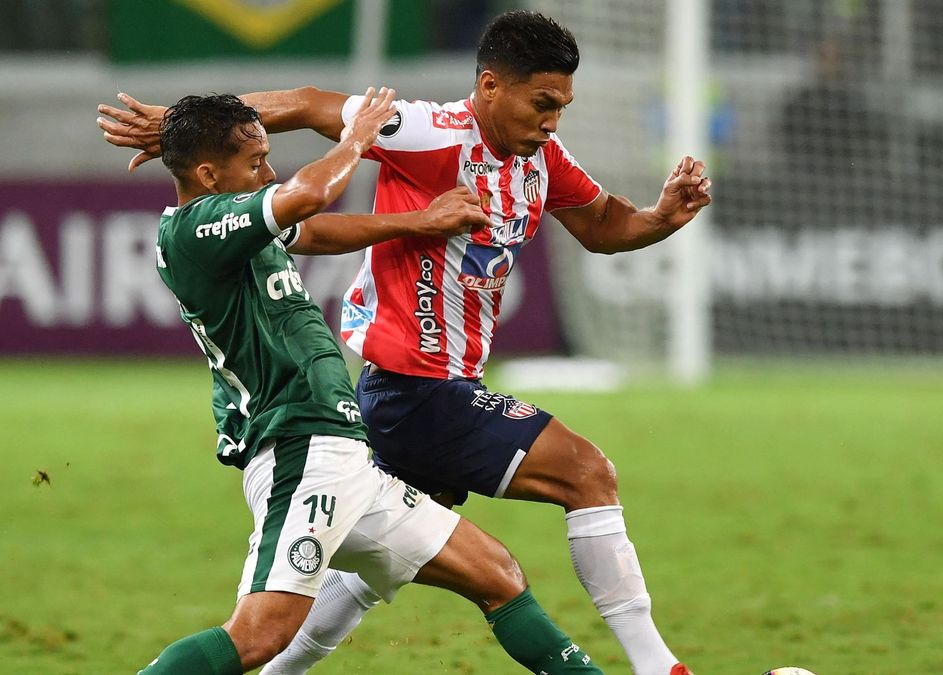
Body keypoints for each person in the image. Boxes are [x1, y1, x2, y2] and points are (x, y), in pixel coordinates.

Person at [99, 12, 711, 675]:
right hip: (406, 392)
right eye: (542, 103)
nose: (552, 120)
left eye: (562, 106)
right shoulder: (427, 132)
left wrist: (659, 217)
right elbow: (307, 113)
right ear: (490, 87)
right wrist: (187, 127)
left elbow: (601, 224)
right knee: (587, 473)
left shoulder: (542, 161)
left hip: (364, 418)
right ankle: (659, 667)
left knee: (455, 574)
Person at [124, 88, 605, 674]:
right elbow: (308, 195)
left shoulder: (237, 225)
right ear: (206, 173)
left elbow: (317, 231)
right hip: (298, 449)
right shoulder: (198, 228)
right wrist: (360, 136)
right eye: (255, 163)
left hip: (344, 455)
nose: (268, 172)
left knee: (496, 574)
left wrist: (418, 222)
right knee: (259, 634)